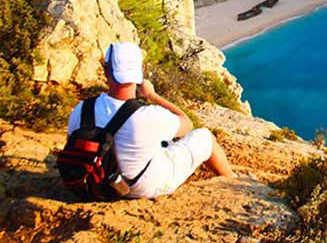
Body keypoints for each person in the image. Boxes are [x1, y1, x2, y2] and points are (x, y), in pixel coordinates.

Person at [66, 41, 236, 198]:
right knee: (205, 137)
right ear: (140, 70)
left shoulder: (81, 109)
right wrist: (152, 95)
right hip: (141, 187)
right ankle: (233, 181)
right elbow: (187, 124)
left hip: (96, 183)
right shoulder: (148, 116)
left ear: (106, 70)